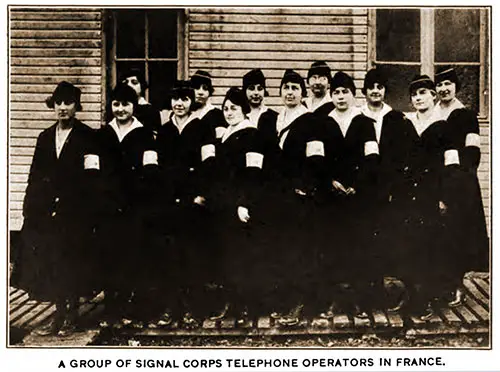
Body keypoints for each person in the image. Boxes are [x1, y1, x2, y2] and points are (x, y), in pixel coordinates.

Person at [18, 81, 99, 336]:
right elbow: (35, 175)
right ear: (53, 105)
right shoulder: (44, 137)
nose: (63, 108)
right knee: (51, 262)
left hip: (76, 213)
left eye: (68, 103)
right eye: (59, 103)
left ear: (77, 106)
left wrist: (73, 204)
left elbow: (92, 177)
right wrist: (32, 207)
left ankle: (72, 315)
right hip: (47, 213)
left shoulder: (88, 136)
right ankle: (58, 313)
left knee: (72, 262)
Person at [266, 69, 343, 326]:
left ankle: (303, 304)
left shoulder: (310, 121)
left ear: (303, 93)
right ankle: (288, 298)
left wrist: (306, 187)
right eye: (286, 88)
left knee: (304, 250)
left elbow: (316, 160)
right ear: (280, 92)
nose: (290, 93)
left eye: (295, 88)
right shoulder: (276, 119)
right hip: (280, 195)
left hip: (302, 196)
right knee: (283, 249)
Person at [379, 75, 449, 320]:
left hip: (430, 195)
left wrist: (444, 197)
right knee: (407, 244)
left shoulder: (443, 125)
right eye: (414, 95)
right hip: (407, 195)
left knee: (428, 246)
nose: (418, 98)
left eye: (423, 93)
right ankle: (409, 294)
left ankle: (425, 300)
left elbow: (449, 166)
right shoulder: (406, 124)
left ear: (433, 95)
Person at [156, 80, 218, 327]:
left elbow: (210, 164)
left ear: (192, 102)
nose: (179, 104)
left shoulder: (202, 128)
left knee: (193, 255)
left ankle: (195, 310)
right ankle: (171, 309)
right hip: (171, 201)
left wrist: (201, 194)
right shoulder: (164, 131)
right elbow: (157, 166)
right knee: (170, 256)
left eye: (184, 99)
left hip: (194, 202)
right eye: (175, 99)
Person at [320, 71, 381, 319]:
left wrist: (358, 184)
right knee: (333, 247)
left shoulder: (364, 122)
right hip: (332, 198)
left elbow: (372, 158)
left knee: (358, 247)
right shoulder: (323, 122)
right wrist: (330, 181)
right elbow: (317, 158)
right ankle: (334, 301)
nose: (340, 96)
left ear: (353, 94)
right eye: (336, 92)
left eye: (345, 91)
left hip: (358, 198)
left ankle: (357, 302)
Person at [96, 83, 156, 327]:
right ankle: (111, 309)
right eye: (116, 104)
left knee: (135, 256)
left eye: (126, 104)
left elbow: (150, 171)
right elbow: (93, 171)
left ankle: (134, 310)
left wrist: (136, 198)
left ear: (134, 106)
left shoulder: (144, 135)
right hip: (109, 207)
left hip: (135, 206)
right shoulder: (102, 134)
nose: (120, 109)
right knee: (110, 257)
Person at [210, 87, 266, 324]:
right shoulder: (224, 134)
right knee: (227, 255)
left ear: (244, 110)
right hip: (224, 204)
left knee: (245, 256)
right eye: (225, 108)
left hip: (241, 205)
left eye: (234, 108)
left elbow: (253, 173)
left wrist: (244, 203)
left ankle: (247, 307)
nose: (229, 112)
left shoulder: (251, 135)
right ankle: (231, 303)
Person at [434, 66, 489, 306]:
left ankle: (456, 286)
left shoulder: (466, 115)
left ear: (456, 87)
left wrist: (456, 186)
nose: (444, 89)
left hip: (459, 184)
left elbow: (472, 155)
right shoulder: (432, 114)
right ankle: (437, 285)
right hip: (434, 181)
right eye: (440, 85)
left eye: (448, 84)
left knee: (457, 235)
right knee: (437, 235)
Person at [119, 68, 162, 134]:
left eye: (134, 82)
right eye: (126, 82)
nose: (129, 85)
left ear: (142, 86)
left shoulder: (151, 110)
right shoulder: (118, 108)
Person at [190, 70, 227, 141]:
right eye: (197, 87)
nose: (200, 92)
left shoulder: (217, 115)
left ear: (209, 91)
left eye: (205, 88)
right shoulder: (185, 113)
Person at [360, 68, 393, 143]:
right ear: (365, 90)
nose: (375, 91)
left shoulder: (392, 116)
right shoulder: (359, 114)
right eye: (371, 87)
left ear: (385, 90)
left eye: (379, 87)